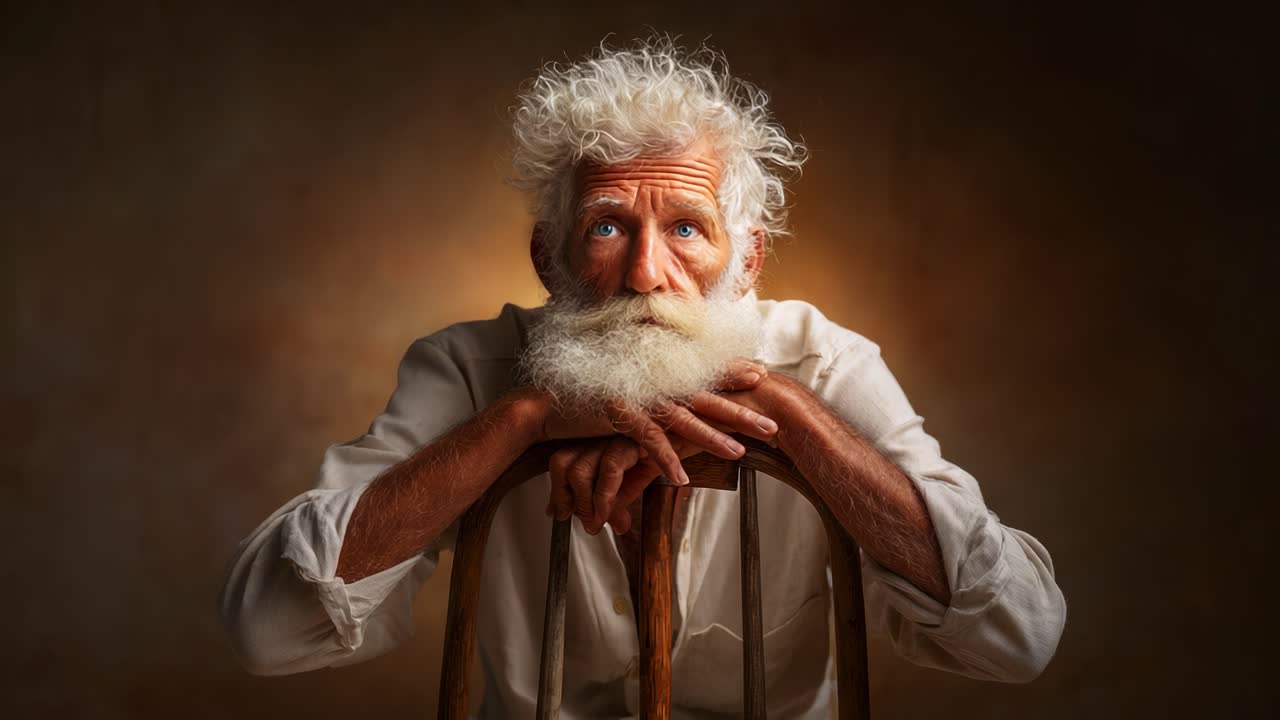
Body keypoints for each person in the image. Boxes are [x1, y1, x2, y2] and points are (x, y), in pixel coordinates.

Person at [218, 37, 1066, 719]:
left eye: (688, 229)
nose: (646, 275)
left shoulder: (824, 363)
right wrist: (526, 419)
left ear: (749, 260)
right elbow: (269, 628)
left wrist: (782, 410)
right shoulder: (466, 369)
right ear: (549, 257)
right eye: (608, 226)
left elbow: (1018, 635)